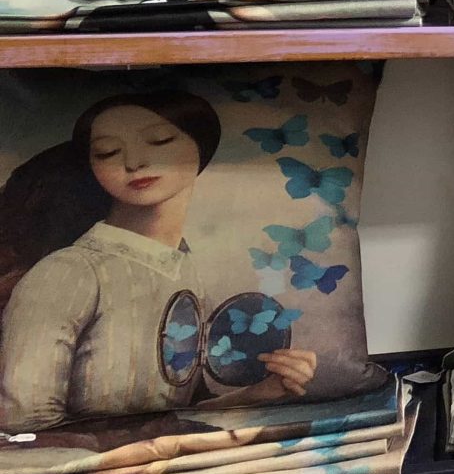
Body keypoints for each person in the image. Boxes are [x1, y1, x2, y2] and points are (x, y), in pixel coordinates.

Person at [0, 90, 316, 429]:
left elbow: (170, 415)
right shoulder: (69, 272)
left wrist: (256, 394)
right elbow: (24, 422)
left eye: (159, 140)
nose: (134, 163)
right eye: (108, 152)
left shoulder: (184, 270)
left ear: (202, 146)